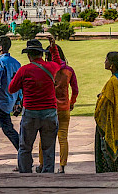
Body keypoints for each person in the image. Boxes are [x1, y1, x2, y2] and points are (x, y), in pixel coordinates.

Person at [7, 36, 63, 173]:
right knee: (48, 149)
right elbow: (58, 63)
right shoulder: (50, 67)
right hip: (49, 112)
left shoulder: (24, 70)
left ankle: (25, 174)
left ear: (29, 55)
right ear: (42, 54)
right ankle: (48, 176)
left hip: (31, 112)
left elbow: (11, 89)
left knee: (25, 148)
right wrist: (53, 46)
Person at [38, 42, 77, 174]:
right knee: (63, 137)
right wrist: (72, 102)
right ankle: (62, 166)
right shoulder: (69, 70)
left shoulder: (46, 69)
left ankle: (41, 163)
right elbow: (75, 89)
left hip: (49, 107)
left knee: (44, 136)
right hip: (64, 107)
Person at [94, 51, 118, 173]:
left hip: (117, 114)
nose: (104, 62)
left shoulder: (113, 81)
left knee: (109, 144)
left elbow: (105, 102)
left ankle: (113, 170)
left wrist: (101, 97)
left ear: (111, 65)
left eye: (106, 60)